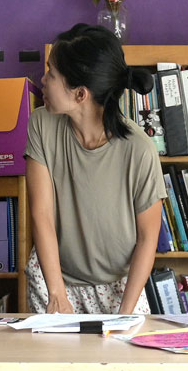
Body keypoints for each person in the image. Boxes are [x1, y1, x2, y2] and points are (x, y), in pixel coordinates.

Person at [25, 23, 165, 314]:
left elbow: (147, 239)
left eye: (51, 73)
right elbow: (41, 214)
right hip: (54, 279)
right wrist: (56, 294)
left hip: (120, 289)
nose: (43, 79)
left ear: (80, 94)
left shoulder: (139, 149)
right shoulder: (41, 124)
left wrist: (124, 315)